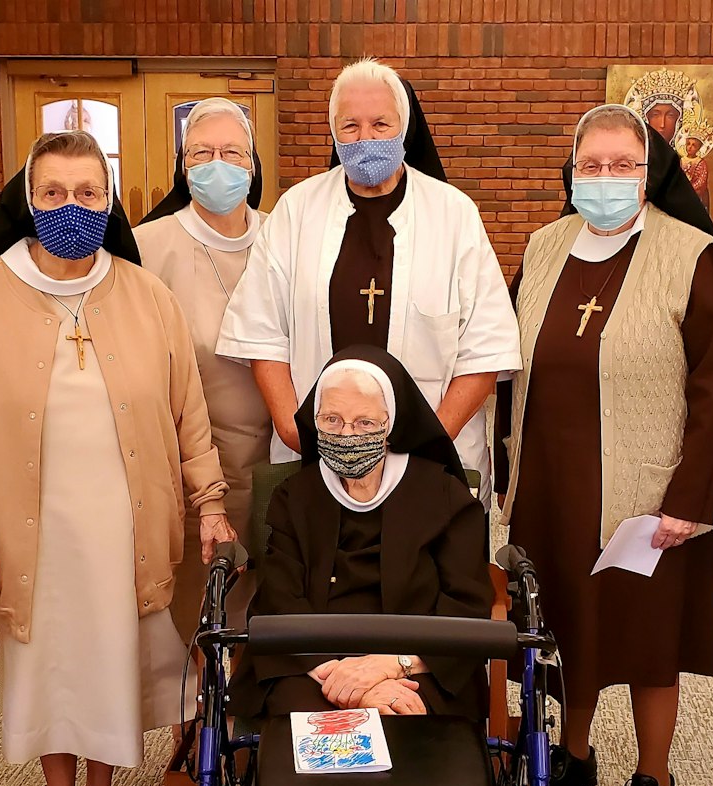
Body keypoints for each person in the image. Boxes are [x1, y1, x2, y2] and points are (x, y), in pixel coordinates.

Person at [0, 130, 235, 786]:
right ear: (28, 202)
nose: (72, 207)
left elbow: (188, 416)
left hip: (129, 524)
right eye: (54, 194)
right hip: (30, 528)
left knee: (119, 659)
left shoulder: (145, 295)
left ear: (110, 204)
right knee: (49, 667)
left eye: (89, 194)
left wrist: (209, 503)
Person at [230, 347, 494, 786]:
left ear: (393, 419)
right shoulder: (294, 496)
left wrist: (385, 667)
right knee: (303, 733)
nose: (346, 435)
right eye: (332, 420)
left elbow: (465, 606)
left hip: (420, 665)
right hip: (309, 664)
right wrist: (341, 676)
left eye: (362, 421)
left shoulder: (444, 496)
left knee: (403, 730)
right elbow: (280, 597)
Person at [499, 105, 713, 786]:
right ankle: (574, 755)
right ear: (571, 173)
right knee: (563, 621)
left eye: (623, 165)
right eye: (590, 166)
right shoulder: (544, 245)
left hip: (644, 485)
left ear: (651, 173)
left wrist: (690, 498)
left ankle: (654, 780)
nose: (605, 179)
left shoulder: (689, 254)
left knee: (643, 635)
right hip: (549, 477)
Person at [217, 58, 520, 503]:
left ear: (404, 127)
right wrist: (296, 432)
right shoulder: (296, 212)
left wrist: (426, 440)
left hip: (429, 457)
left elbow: (485, 346)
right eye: (351, 126)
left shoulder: (454, 214)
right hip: (316, 456)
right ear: (334, 132)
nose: (366, 138)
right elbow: (261, 335)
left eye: (381, 123)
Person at [134, 98, 271, 633]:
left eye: (232, 152)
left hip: (280, 461)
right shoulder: (149, 246)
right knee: (200, 624)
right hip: (192, 469)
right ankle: (195, 719)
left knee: (270, 618)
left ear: (253, 164)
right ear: (183, 165)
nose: (218, 164)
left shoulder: (284, 236)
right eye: (202, 153)